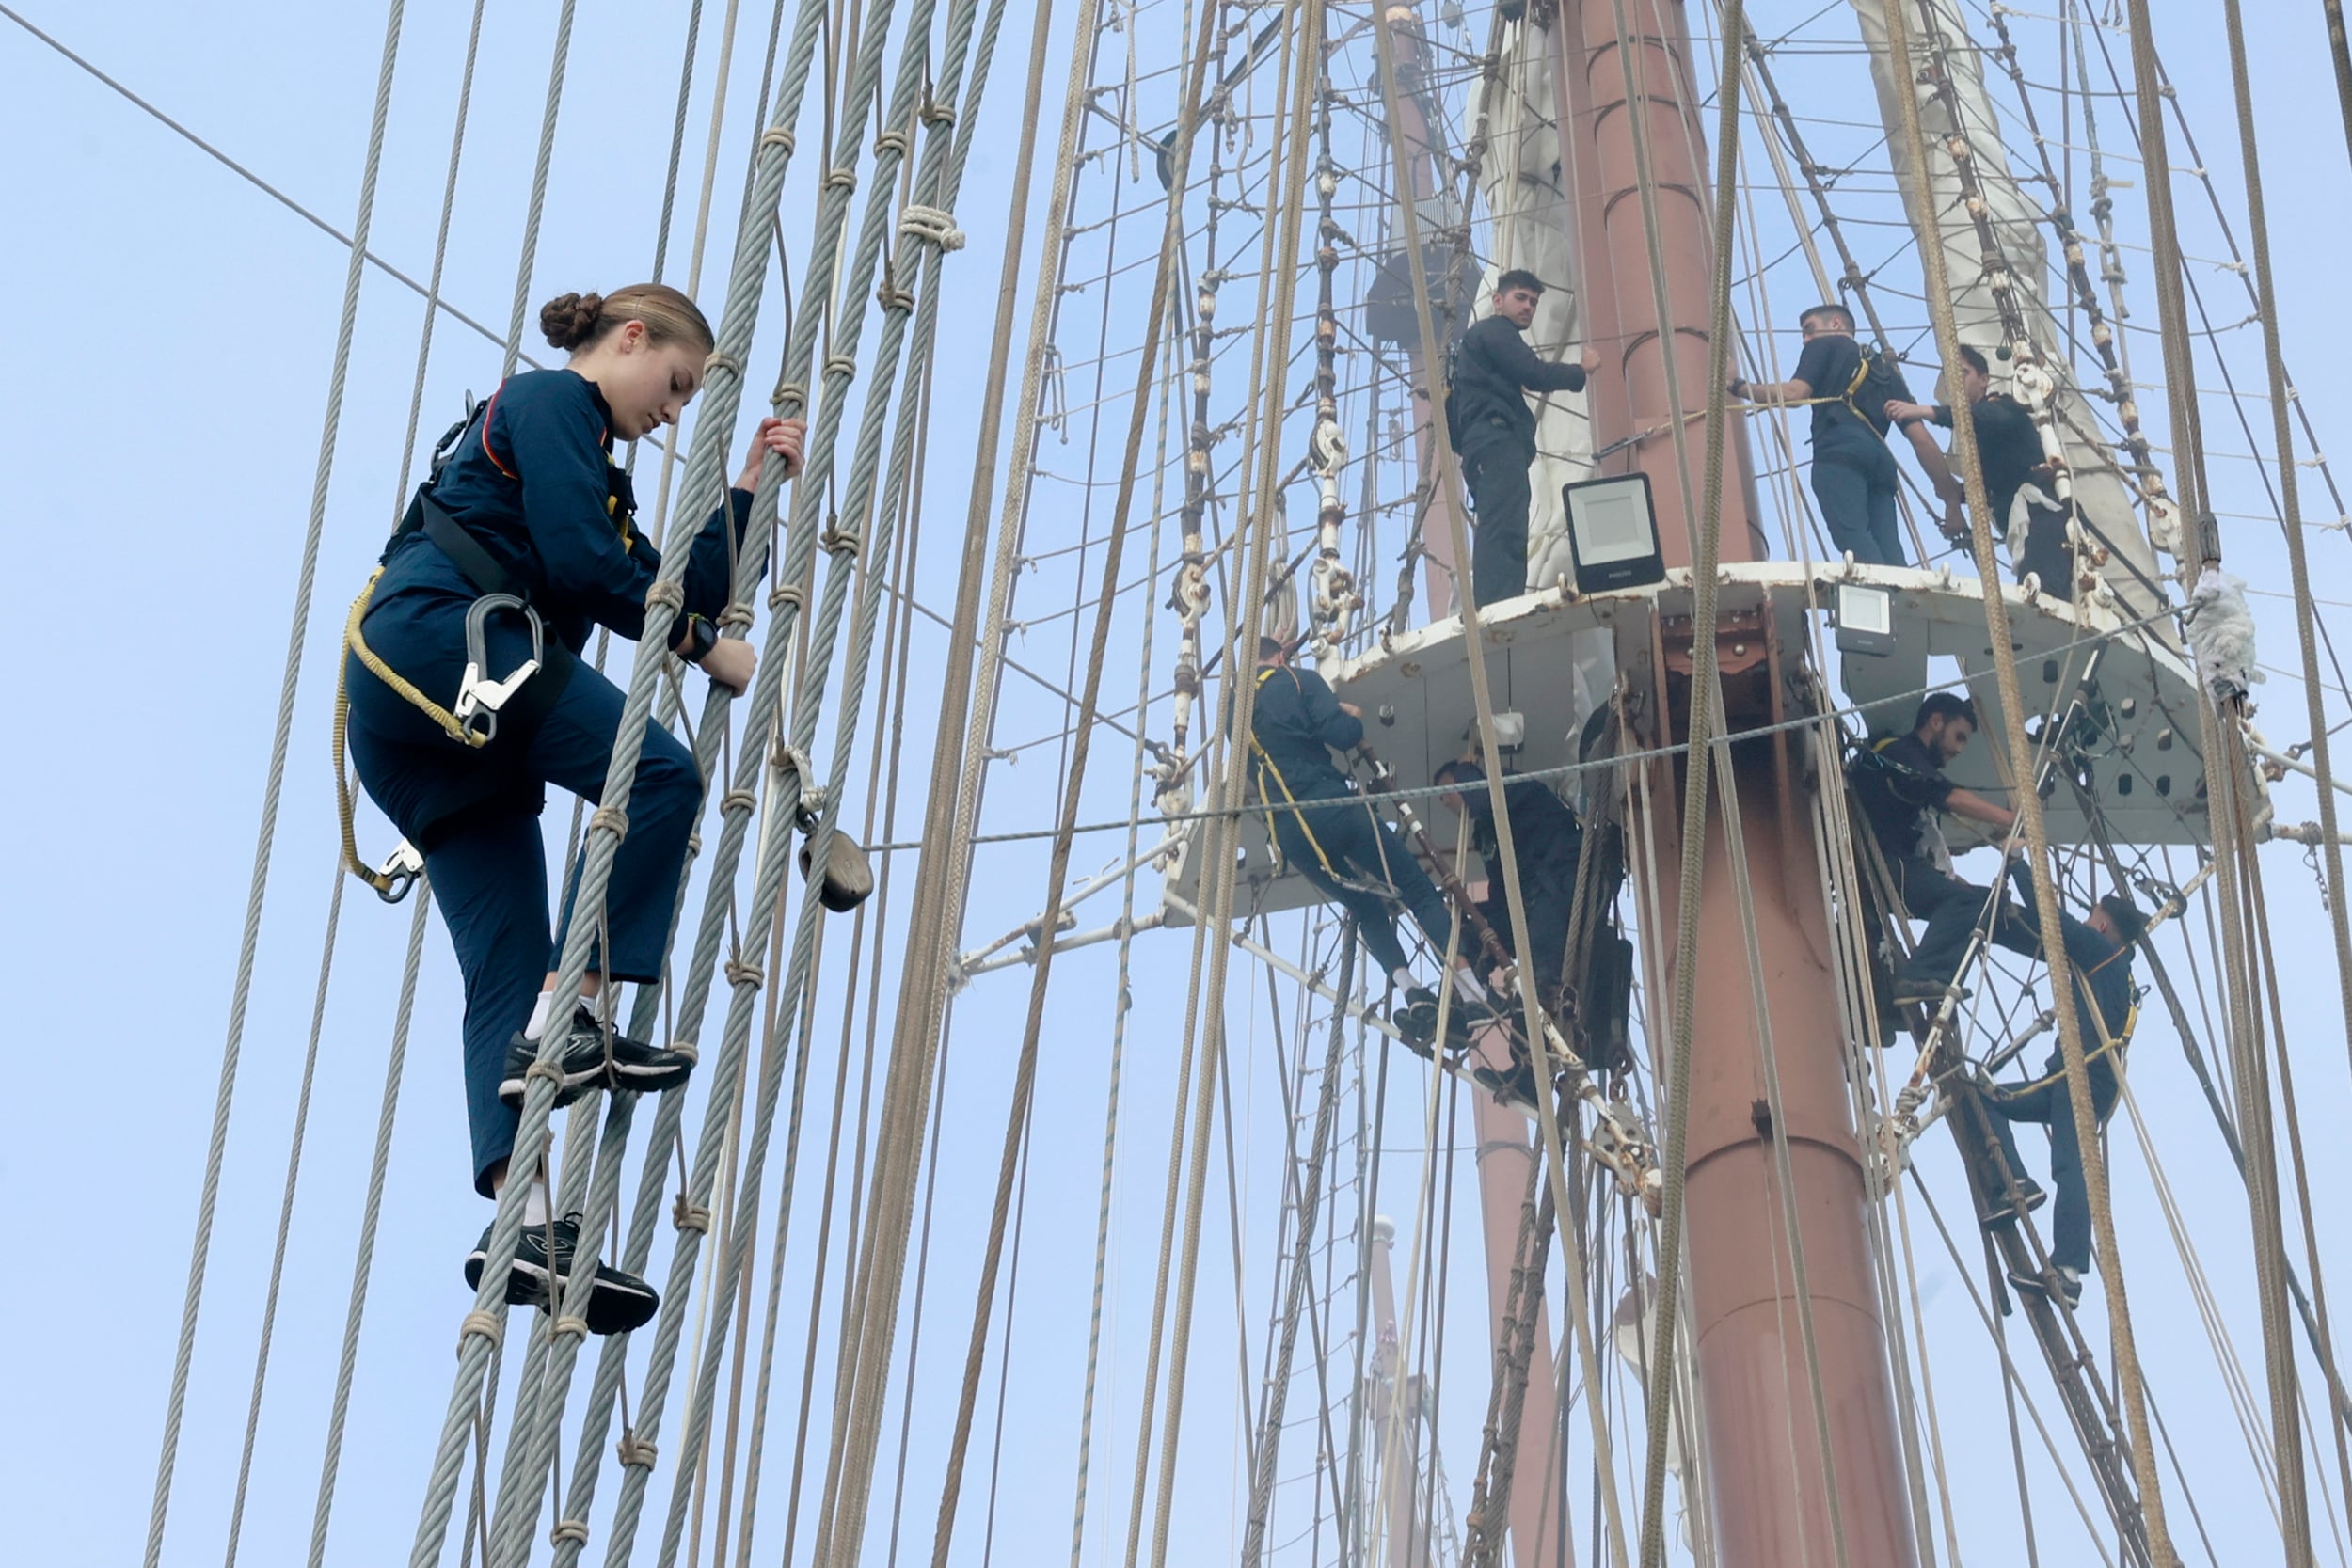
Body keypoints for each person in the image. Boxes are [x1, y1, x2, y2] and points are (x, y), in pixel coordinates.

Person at [342, 284, 805, 1333]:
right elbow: (584, 565)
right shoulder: (552, 405)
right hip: (439, 639)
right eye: (676, 384)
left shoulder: (595, 473)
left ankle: (524, 1222)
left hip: (438, 720)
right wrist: (700, 647)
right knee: (660, 776)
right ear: (630, 339)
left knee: (506, 963)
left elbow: (660, 580)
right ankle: (584, 1008)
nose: (673, 410)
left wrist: (749, 494)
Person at [1248, 638, 1486, 1006]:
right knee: (1415, 888)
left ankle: (1412, 991)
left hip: (1292, 835)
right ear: (1281, 658)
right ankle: (1471, 989)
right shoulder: (1299, 681)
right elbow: (1341, 735)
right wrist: (1350, 718)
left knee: (1363, 907)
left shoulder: (1235, 714)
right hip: (1333, 808)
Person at [1979, 854, 2146, 1308]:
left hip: (2082, 1080)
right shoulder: (2115, 966)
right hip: (2068, 1080)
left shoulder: (2104, 952)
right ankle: (2016, 1181)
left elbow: (2050, 920)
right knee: (1983, 1098)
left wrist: (2016, 863)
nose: (2088, 921)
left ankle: (2068, 1272)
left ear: (2105, 926)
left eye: (2094, 916)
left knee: (2071, 1165)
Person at [1732, 303, 1964, 566]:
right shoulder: (1886, 371)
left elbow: (1794, 394)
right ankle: (1901, 602)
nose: (1806, 339)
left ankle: (1882, 598)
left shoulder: (1824, 346)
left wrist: (1738, 387)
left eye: (1809, 330)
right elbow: (1922, 441)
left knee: (1856, 546)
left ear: (1835, 325)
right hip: (1881, 461)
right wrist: (1951, 502)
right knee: (1890, 553)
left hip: (1840, 451)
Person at [1848, 693, 2036, 1005]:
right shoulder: (1900, 753)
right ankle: (1922, 977)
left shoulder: (1907, 761)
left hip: (1904, 866)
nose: (1958, 749)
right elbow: (1947, 795)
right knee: (1964, 902)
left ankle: (2042, 943)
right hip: (1882, 865)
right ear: (1936, 722)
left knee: (1982, 902)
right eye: (1958, 737)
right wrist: (2011, 818)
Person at [1448, 269, 1601, 607]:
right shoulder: (1494, 331)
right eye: (1521, 298)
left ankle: (1498, 601)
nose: (1529, 307)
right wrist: (1582, 370)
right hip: (1496, 441)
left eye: (1533, 302)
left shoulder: (1477, 349)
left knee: (1504, 521)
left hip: (1485, 446)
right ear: (1498, 301)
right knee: (1505, 526)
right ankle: (1497, 604)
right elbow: (1534, 374)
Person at [1883, 344, 2073, 591]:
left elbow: (1983, 417)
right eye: (1949, 377)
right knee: (2037, 589)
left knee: (2043, 592)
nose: (1955, 382)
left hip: (2044, 515)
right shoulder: (1980, 441)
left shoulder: (2004, 407)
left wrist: (1921, 411)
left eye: (1963, 373)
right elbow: (1991, 484)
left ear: (1984, 380)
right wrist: (1954, 498)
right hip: (2026, 524)